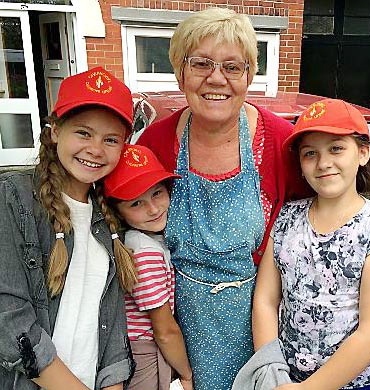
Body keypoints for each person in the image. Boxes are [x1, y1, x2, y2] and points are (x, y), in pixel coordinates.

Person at [135, 7, 309, 390]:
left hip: (261, 326)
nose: (217, 78)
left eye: (233, 66)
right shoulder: (155, 144)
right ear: (180, 71)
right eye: (201, 64)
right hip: (175, 329)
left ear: (250, 76)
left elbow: (319, 224)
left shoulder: (281, 143)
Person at [251, 98, 370, 390]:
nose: (323, 163)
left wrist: (308, 389)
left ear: (363, 152)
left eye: (336, 148)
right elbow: (266, 299)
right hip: (286, 380)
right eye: (310, 153)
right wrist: (271, 369)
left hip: (357, 384)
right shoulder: (288, 216)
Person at [0, 67, 137, 389]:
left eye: (111, 139)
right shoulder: (13, 198)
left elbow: (114, 323)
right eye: (83, 133)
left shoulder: (110, 215)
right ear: (54, 131)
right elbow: (8, 315)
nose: (96, 150)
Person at [104, 144, 193, 390]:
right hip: (144, 350)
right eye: (136, 203)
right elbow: (164, 331)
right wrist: (186, 374)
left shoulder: (146, 240)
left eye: (157, 193)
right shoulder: (145, 253)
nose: (153, 209)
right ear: (117, 212)